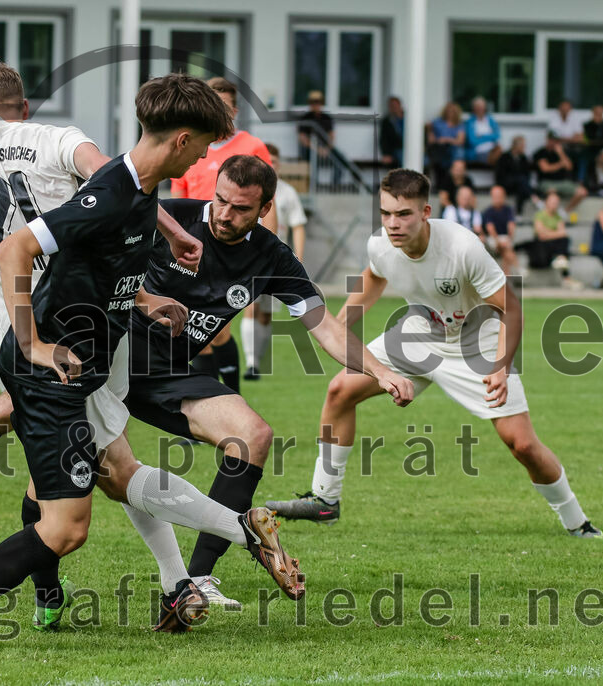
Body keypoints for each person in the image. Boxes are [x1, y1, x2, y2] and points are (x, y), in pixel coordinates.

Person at [0, 69, 303, 652]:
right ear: (182, 139)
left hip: (81, 352)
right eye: (207, 145)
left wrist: (145, 294)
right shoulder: (77, 158)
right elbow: (26, 242)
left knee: (113, 478)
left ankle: (215, 547)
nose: (209, 158)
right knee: (66, 521)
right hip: (52, 358)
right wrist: (31, 343)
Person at [125, 156, 412, 605]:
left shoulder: (271, 256)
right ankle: (48, 589)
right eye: (220, 200)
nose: (224, 214)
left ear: (265, 208)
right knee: (72, 497)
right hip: (106, 357)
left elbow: (326, 327)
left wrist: (381, 370)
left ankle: (196, 580)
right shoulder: (172, 220)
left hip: (167, 375)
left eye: (240, 208)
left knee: (254, 435)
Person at [266, 169, 603, 540]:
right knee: (339, 392)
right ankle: (325, 500)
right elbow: (374, 275)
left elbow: (512, 308)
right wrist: (341, 323)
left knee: (522, 444)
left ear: (426, 211)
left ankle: (577, 522)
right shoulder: (380, 244)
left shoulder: (462, 247)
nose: (393, 224)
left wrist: (500, 367)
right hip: (420, 334)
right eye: (386, 214)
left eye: (404, 214)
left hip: (478, 342)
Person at [171, 76, 277, 394]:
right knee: (196, 334)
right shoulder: (190, 147)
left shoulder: (251, 147)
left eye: (224, 106)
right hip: (192, 251)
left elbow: (268, 197)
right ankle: (210, 401)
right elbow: (178, 202)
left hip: (231, 250)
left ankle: (232, 396)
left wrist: (265, 250)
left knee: (217, 328)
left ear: (234, 109)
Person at [530, 189, 577, 288]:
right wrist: (555, 233)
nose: (554, 205)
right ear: (546, 202)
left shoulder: (558, 217)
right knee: (559, 243)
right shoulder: (540, 215)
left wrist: (548, 233)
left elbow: (563, 233)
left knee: (564, 241)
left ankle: (561, 259)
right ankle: (564, 270)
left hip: (553, 245)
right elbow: (541, 235)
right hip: (541, 249)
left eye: (556, 203)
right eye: (552, 202)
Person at [532, 134, 588, 215]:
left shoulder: (562, 152)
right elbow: (546, 169)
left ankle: (564, 212)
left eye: (555, 141)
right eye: (551, 140)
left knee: (582, 192)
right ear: (547, 140)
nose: (553, 143)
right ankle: (548, 215)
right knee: (552, 194)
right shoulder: (541, 152)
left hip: (563, 182)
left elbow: (569, 167)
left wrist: (561, 153)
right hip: (547, 182)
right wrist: (561, 164)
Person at [482, 185, 519, 275]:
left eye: (500, 196)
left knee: (505, 251)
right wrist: (498, 240)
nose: (498, 199)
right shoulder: (488, 212)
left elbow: (511, 225)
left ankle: (506, 277)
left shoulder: (508, 210)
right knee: (506, 248)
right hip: (492, 238)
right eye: (495, 196)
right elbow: (490, 229)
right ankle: (518, 268)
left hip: (506, 239)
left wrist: (510, 238)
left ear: (504, 197)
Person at [494, 136, 535, 215]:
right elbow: (500, 174)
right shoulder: (504, 157)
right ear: (517, 146)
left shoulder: (523, 158)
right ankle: (533, 196)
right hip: (506, 183)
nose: (524, 148)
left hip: (519, 185)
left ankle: (519, 212)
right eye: (523, 146)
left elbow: (527, 174)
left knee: (521, 186)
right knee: (521, 180)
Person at [428, 102, 465, 184]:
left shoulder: (459, 124)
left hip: (453, 147)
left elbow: (460, 141)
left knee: (458, 153)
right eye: (449, 111)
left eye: (453, 111)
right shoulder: (437, 122)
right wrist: (437, 139)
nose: (450, 113)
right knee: (438, 156)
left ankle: (456, 179)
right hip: (439, 148)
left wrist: (447, 140)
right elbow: (431, 139)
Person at [296, 90, 335, 161]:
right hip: (310, 149)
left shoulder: (327, 118)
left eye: (317, 102)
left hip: (324, 147)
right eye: (313, 102)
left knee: (339, 158)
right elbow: (302, 138)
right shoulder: (305, 118)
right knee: (311, 158)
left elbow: (331, 136)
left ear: (321, 103)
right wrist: (317, 149)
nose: (315, 105)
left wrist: (327, 149)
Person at [464, 96, 502, 165]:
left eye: (482, 106)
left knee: (501, 153)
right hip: (478, 152)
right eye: (478, 107)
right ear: (474, 108)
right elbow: (472, 141)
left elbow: (497, 135)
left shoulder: (490, 120)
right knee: (500, 159)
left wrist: (482, 136)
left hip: (492, 149)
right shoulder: (470, 122)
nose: (480, 109)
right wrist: (490, 136)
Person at [583, 104, 603, 186]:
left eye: (600, 113)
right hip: (590, 150)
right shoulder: (587, 125)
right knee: (584, 158)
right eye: (597, 113)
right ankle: (584, 182)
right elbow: (586, 140)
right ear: (593, 113)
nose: (598, 115)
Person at [379, 96, 404, 168]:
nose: (394, 108)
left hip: (411, 147)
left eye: (395, 106)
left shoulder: (409, 118)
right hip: (396, 149)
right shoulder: (387, 121)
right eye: (391, 106)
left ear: (400, 105)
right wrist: (386, 154)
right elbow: (383, 139)